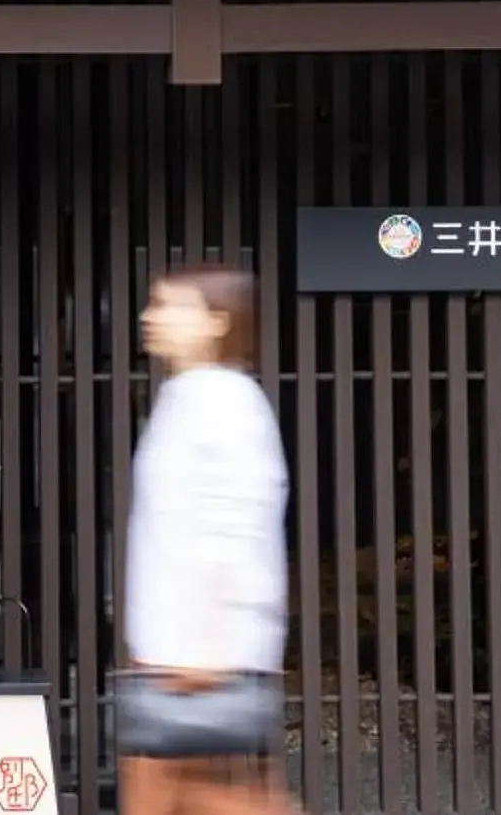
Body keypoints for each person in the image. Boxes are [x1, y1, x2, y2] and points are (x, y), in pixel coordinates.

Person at [118, 269, 290, 815]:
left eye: (172, 306)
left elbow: (235, 525)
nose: (152, 316)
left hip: (198, 652)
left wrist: (209, 647)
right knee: (173, 793)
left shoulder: (226, 401)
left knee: (166, 794)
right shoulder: (185, 396)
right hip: (173, 647)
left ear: (216, 323)